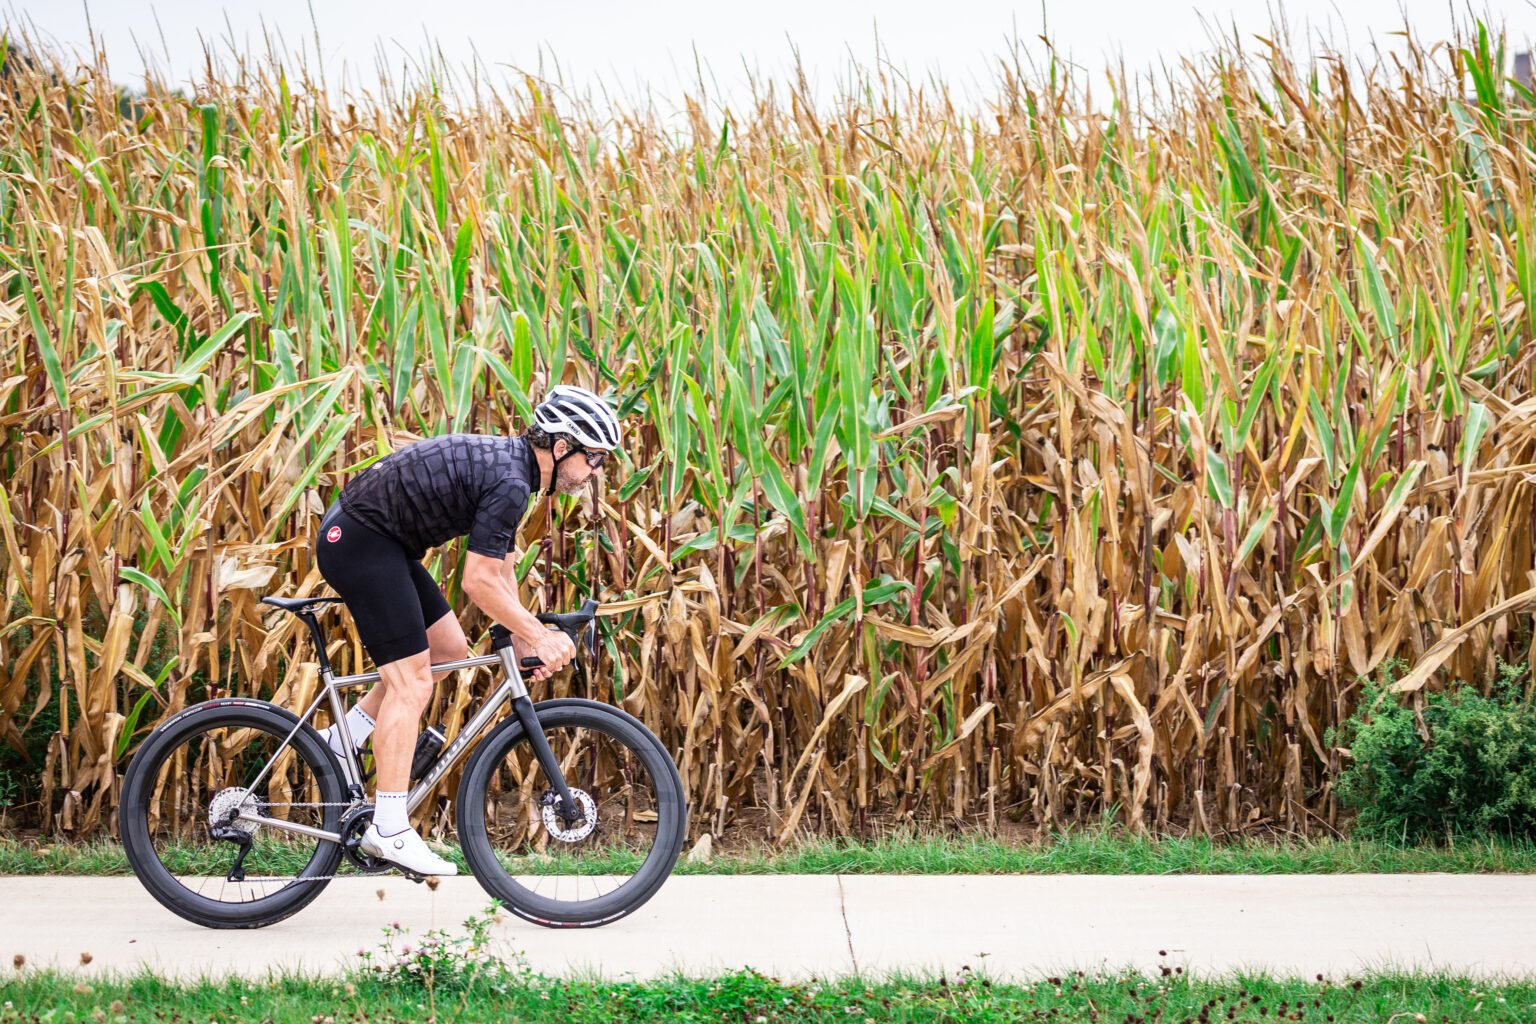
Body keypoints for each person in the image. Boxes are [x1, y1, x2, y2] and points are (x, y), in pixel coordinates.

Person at [312, 385, 620, 875]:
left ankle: (342, 739)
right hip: (361, 542)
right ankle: (388, 829)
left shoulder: (517, 474)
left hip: (381, 542)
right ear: (562, 448)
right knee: (409, 683)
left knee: (448, 651)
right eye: (596, 458)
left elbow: (501, 571)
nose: (596, 472)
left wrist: (523, 637)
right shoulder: (513, 481)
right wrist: (539, 635)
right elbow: (477, 581)